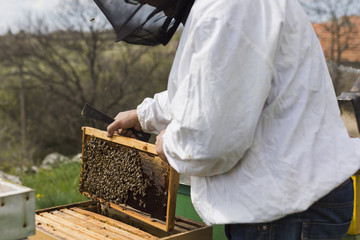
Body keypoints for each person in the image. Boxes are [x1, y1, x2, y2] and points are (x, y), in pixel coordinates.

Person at [103, 0, 360, 239]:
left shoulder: (228, 9)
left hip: (285, 211)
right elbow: (211, 90)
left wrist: (169, 145)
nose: (143, 4)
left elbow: (212, 143)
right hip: (286, 202)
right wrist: (144, 115)